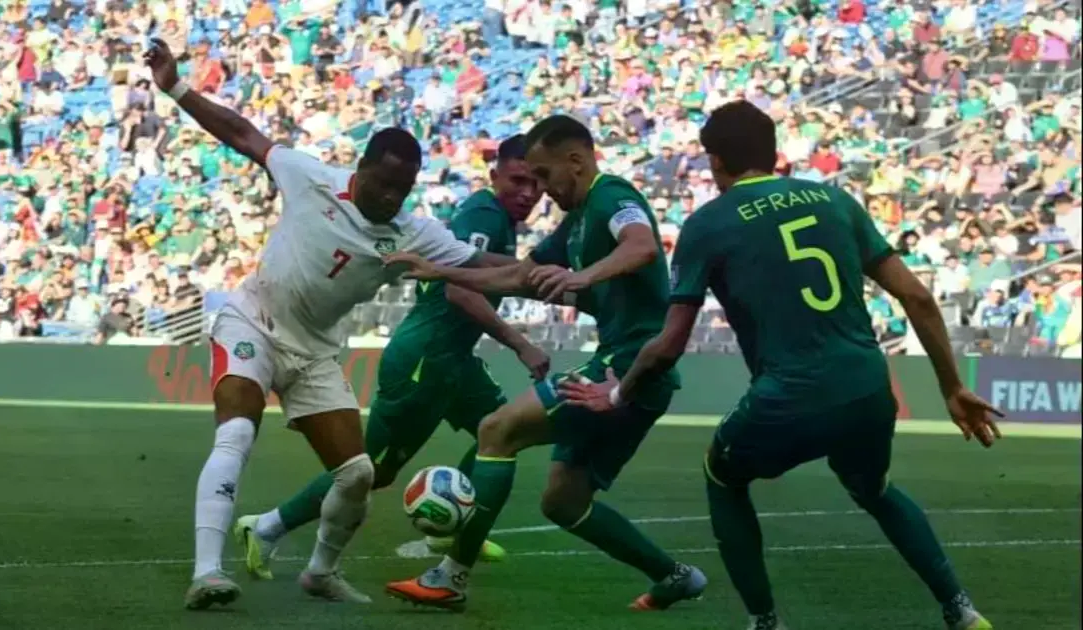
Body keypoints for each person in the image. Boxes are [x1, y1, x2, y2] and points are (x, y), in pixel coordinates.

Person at [559, 101, 1001, 630]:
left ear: (715, 161)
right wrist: (951, 386)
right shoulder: (836, 200)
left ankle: (765, 622)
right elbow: (917, 297)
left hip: (789, 396)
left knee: (721, 474)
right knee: (873, 487)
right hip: (866, 386)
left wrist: (616, 395)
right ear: (773, 153)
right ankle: (960, 608)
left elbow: (669, 343)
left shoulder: (707, 224)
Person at [142, 39, 500, 611]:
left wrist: (556, 276)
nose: (390, 197)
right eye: (383, 183)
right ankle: (207, 572)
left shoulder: (412, 231)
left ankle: (319, 573)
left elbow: (480, 267)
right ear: (359, 169)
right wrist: (177, 88)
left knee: (358, 474)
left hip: (313, 354)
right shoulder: (310, 176)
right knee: (236, 435)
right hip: (252, 322)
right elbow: (242, 135)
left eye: (402, 190)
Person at [382, 114, 707, 612]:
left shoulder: (613, 197)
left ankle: (450, 579)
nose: (540, 189)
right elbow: (517, 278)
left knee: (496, 430)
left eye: (544, 175)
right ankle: (674, 576)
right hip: (630, 371)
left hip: (628, 363)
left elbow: (642, 246)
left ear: (575, 161)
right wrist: (438, 270)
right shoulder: (574, 224)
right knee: (563, 502)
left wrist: (584, 277)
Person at [233, 135, 550, 577]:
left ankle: (454, 530)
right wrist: (521, 343)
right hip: (426, 358)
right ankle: (267, 526)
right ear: (494, 174)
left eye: (537, 184)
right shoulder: (482, 213)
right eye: (519, 180)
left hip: (454, 359)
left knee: (501, 432)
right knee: (370, 471)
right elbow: (460, 289)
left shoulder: (498, 219)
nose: (529, 193)